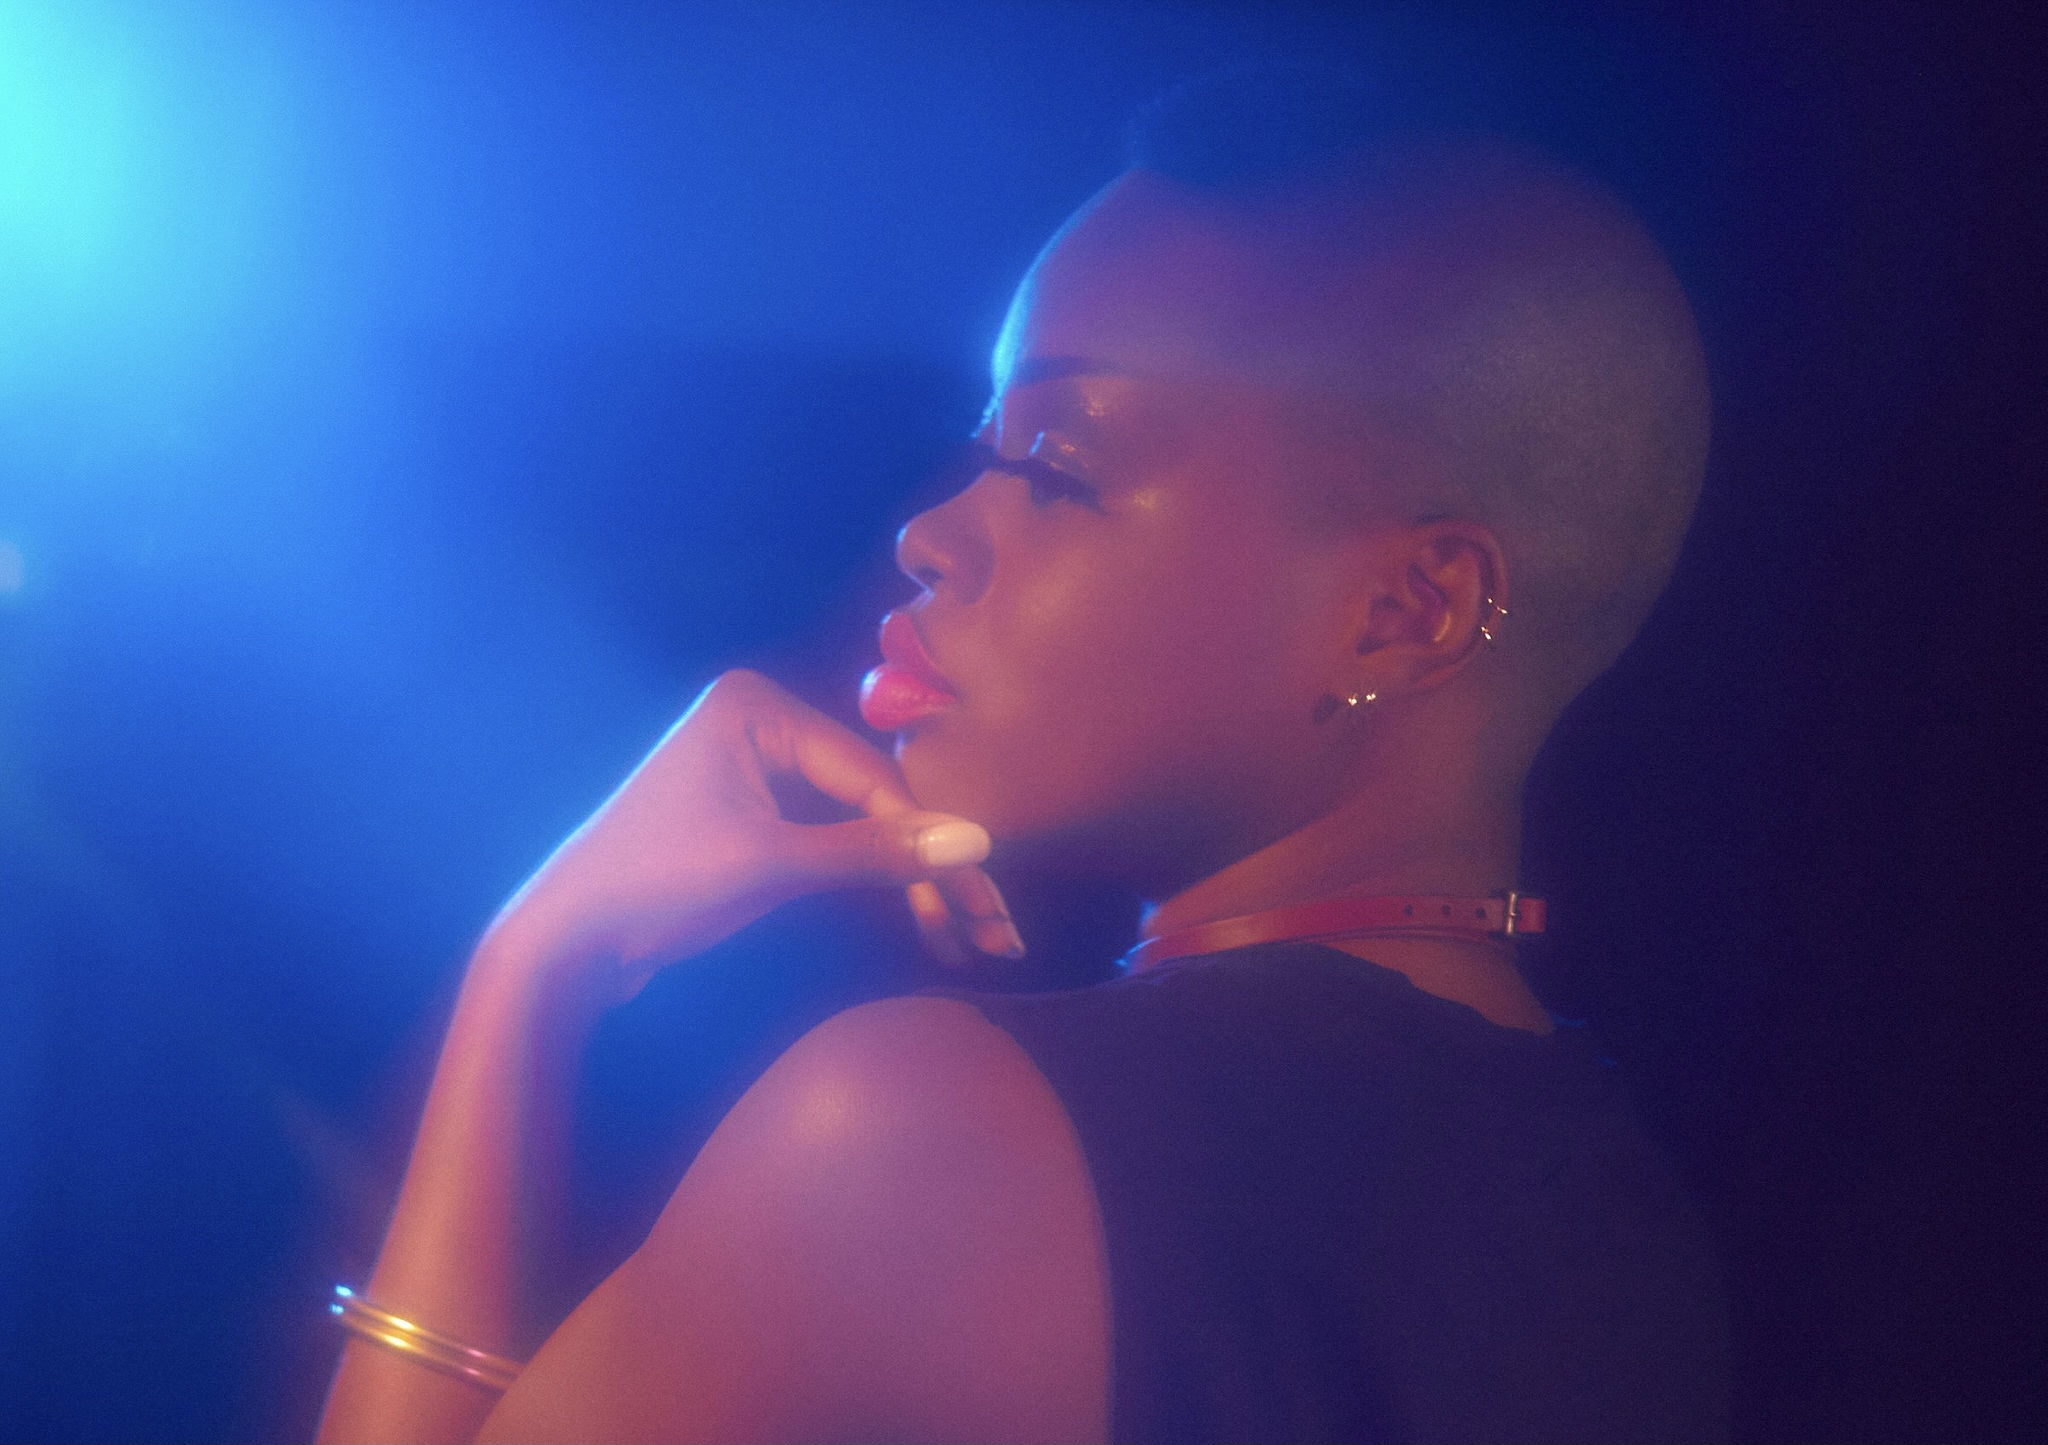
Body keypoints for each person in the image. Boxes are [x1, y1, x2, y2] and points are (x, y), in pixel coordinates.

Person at [317, 70, 1728, 1444]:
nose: (930, 536)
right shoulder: (1634, 1233)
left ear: (1403, 613)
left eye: (1057, 465)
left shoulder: (906, 1141)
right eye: (982, 448)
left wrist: (533, 966)